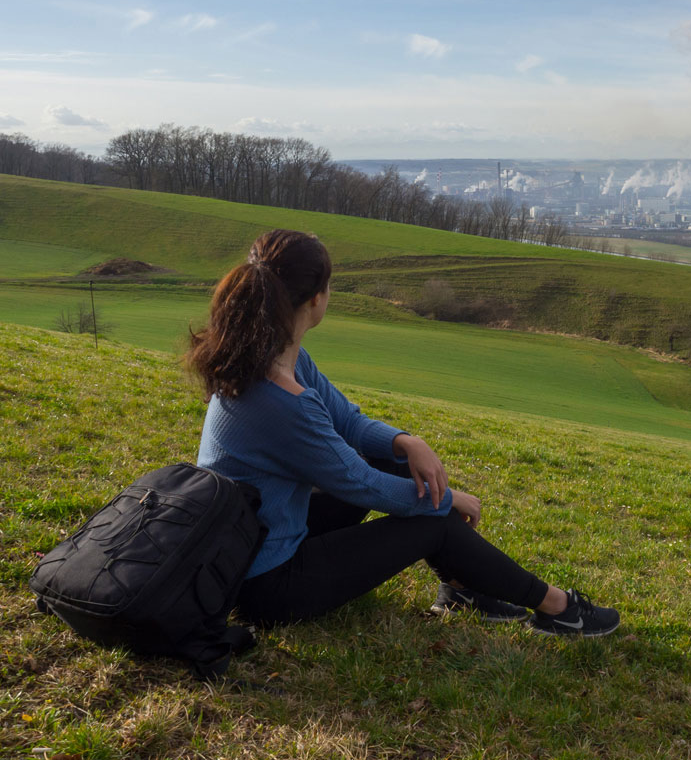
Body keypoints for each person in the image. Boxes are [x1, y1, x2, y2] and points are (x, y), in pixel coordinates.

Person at [190, 229, 618, 637]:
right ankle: (559, 610)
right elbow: (359, 484)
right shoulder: (282, 400)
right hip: (264, 583)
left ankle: (462, 589)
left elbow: (350, 423)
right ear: (317, 299)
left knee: (392, 459)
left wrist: (407, 442)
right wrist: (448, 500)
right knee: (432, 522)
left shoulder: (273, 357)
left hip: (249, 545)